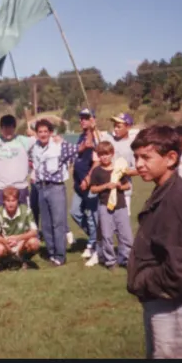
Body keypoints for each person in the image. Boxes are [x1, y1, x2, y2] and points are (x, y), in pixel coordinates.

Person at [127, 125, 182, 359]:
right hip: (161, 298)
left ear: (171, 158)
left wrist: (144, 280)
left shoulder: (176, 199)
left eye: (146, 157)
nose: (139, 164)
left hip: (171, 304)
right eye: (136, 157)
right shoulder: (164, 191)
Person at [28, 119, 77, 266]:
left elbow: (78, 150)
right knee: (46, 224)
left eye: (45, 131)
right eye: (40, 132)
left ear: (50, 132)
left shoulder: (59, 145)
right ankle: (51, 253)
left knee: (58, 223)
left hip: (56, 188)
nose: (42, 134)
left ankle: (60, 256)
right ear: (36, 134)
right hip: (41, 188)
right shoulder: (34, 148)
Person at [81, 141, 134, 270]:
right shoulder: (97, 171)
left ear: (112, 154)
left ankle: (126, 258)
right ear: (98, 156)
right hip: (105, 206)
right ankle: (110, 260)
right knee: (106, 235)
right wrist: (106, 186)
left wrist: (121, 186)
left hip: (120, 205)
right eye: (101, 155)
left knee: (125, 234)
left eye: (107, 154)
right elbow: (93, 189)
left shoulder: (118, 169)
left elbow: (128, 185)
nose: (104, 157)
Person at [0, 186, 41, 269]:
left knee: (34, 242)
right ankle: (7, 260)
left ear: (17, 200)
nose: (10, 203)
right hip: (6, 243)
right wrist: (5, 242)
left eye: (13, 200)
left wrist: (18, 238)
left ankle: (23, 259)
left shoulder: (26, 210)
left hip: (21, 243)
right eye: (8, 201)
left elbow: (34, 231)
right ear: (4, 201)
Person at [72, 108, 101, 259]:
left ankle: (93, 244)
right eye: (81, 118)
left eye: (86, 118)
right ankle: (95, 237)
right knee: (75, 212)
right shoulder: (81, 136)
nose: (82, 120)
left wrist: (88, 178)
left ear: (92, 120)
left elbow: (97, 159)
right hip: (78, 184)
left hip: (89, 184)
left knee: (91, 215)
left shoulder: (96, 136)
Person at [0, 115, 33, 209]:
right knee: (0, 220)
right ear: (1, 128)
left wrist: (33, 133)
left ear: (14, 127)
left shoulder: (24, 141)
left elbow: (43, 140)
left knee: (22, 220)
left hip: (20, 187)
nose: (8, 130)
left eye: (11, 127)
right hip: (0, 188)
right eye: (5, 127)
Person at [105, 112, 139, 216]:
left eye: (119, 126)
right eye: (115, 126)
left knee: (123, 227)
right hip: (107, 189)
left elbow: (137, 169)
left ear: (128, 127)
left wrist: (124, 172)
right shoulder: (109, 139)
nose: (115, 129)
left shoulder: (132, 145)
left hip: (123, 191)